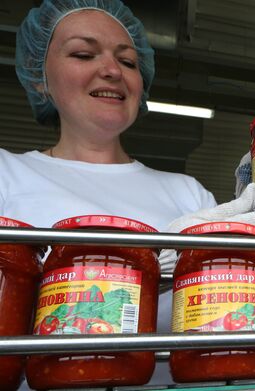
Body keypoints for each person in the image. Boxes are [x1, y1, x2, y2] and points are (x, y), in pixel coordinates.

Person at [4, 0, 215, 387]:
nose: (112, 71)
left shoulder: (189, 194)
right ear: (39, 77)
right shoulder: (6, 173)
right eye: (84, 54)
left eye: (129, 62)